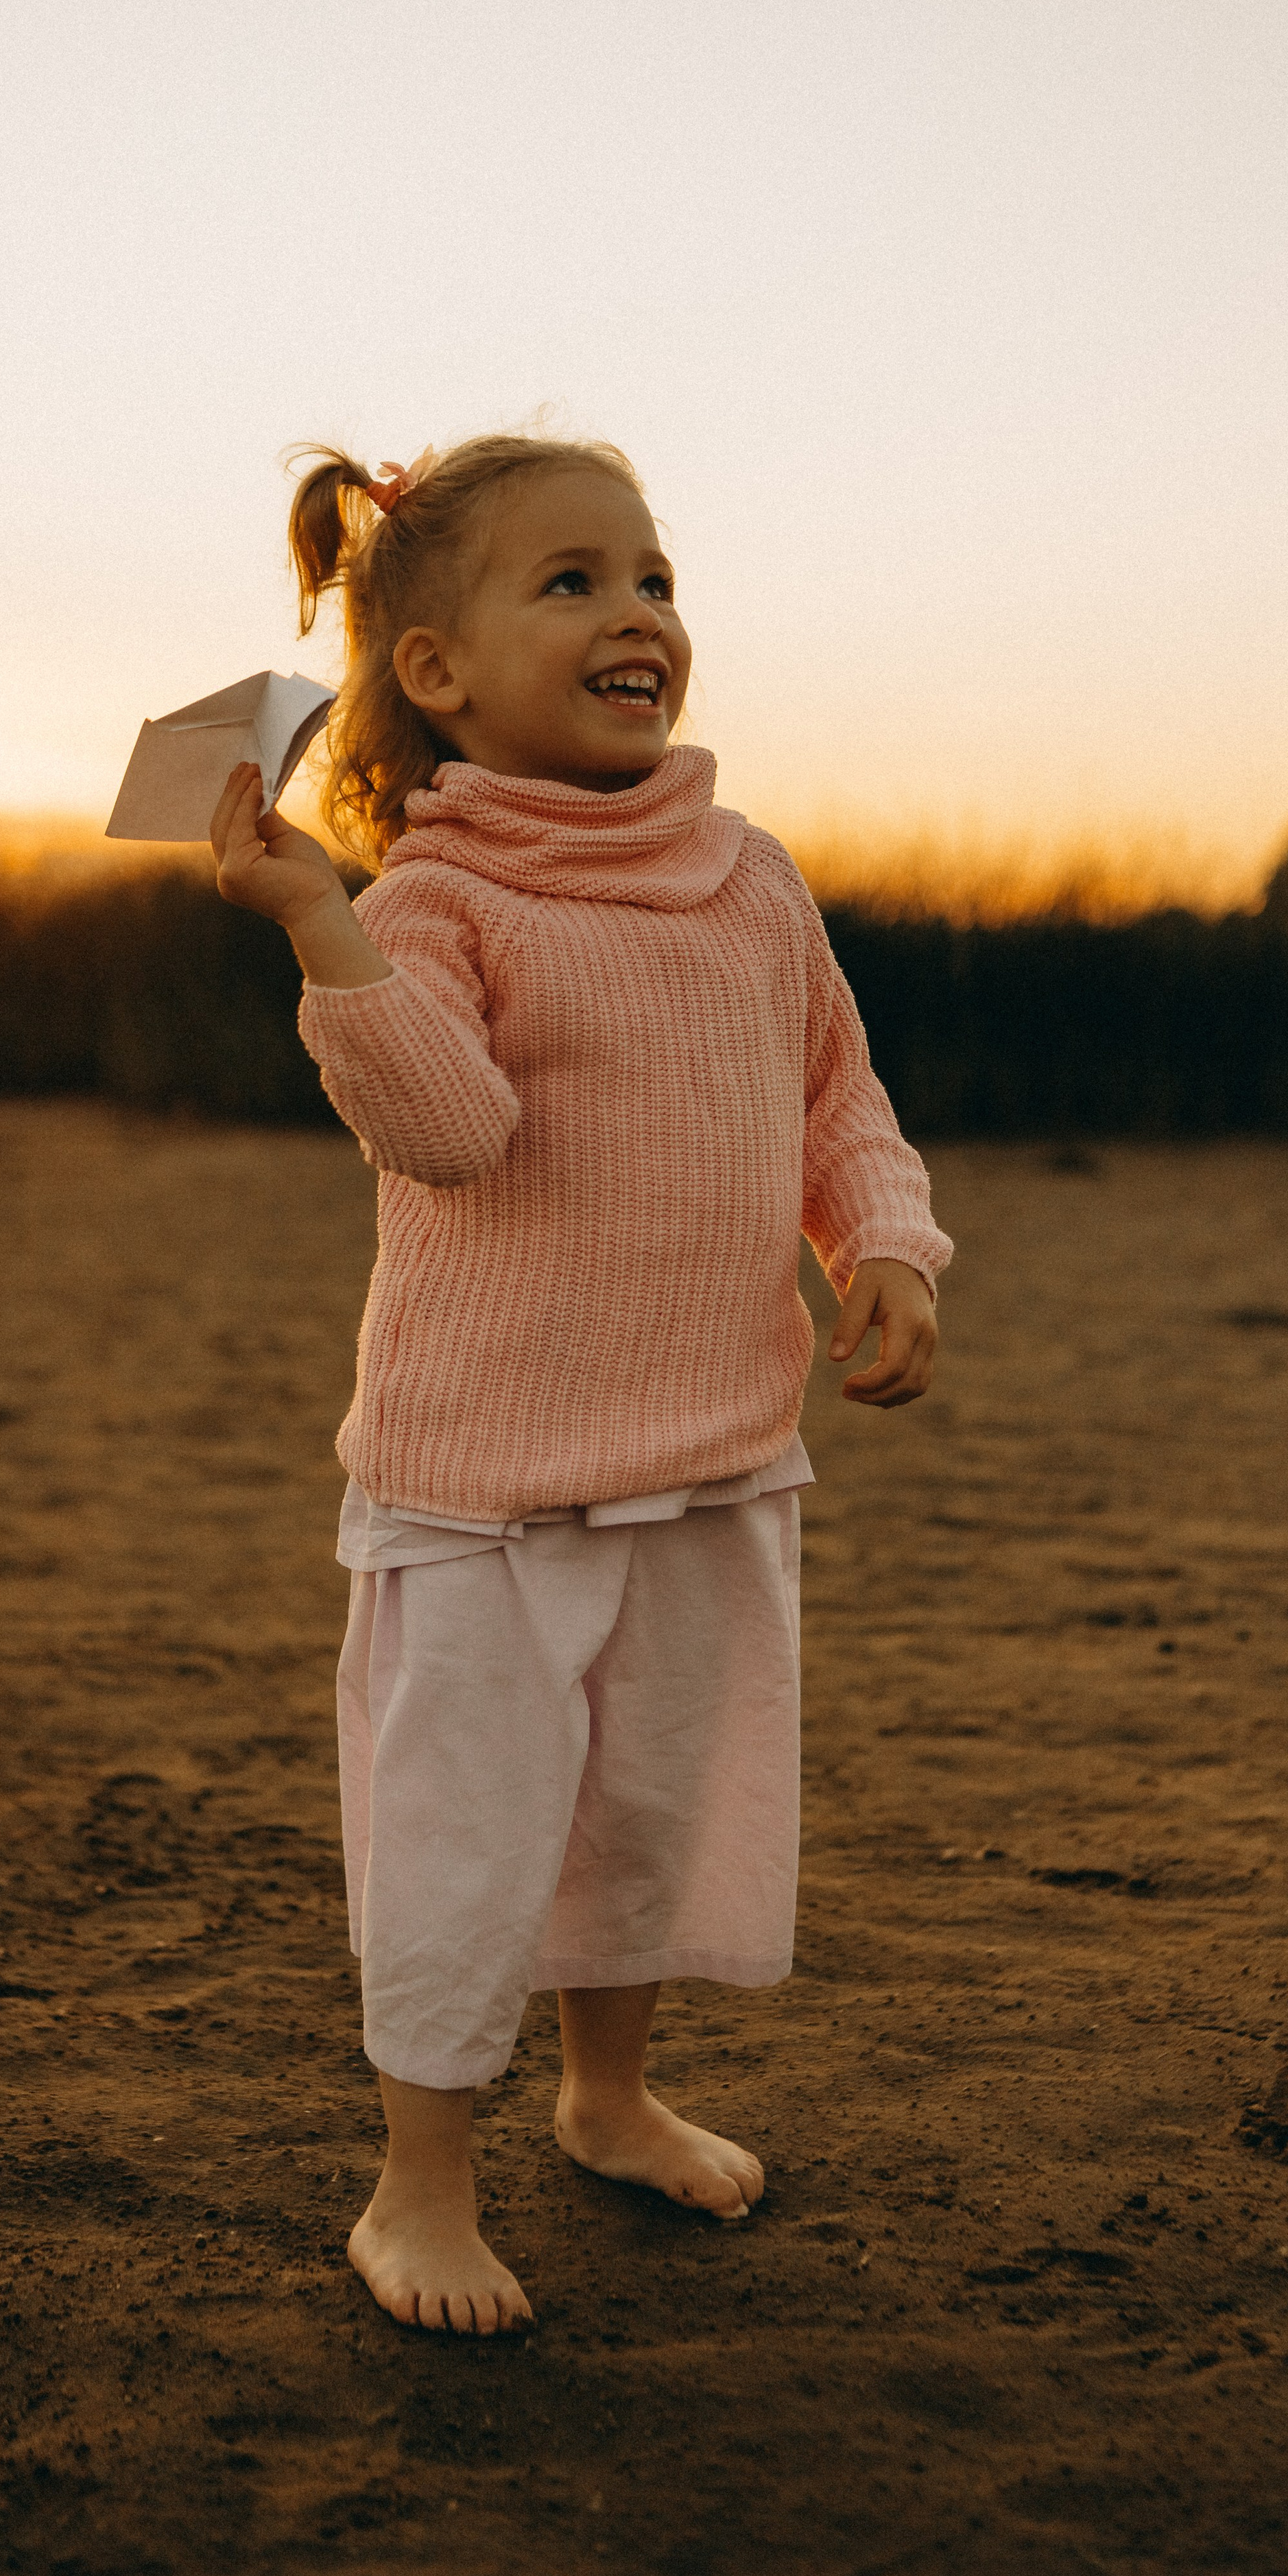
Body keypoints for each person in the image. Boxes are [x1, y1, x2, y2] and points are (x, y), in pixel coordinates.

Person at [206, 433, 951, 2335]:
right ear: (438, 672)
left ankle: (609, 2098)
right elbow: (445, 1132)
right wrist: (322, 927)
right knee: (470, 1833)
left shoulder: (749, 880)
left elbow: (831, 1096)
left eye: (655, 578)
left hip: (712, 1451)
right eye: (574, 582)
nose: (638, 614)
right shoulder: (437, 898)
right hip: (484, 1483)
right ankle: (417, 2189)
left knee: (643, 1810)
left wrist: (881, 1244)